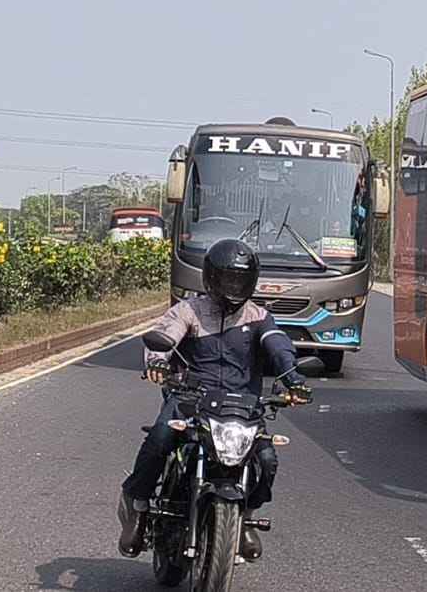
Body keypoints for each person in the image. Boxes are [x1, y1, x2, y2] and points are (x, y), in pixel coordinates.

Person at [117, 238, 313, 560]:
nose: (233, 286)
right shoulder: (189, 310)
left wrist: (292, 378)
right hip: (190, 400)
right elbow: (165, 336)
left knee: (267, 460)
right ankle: (138, 505)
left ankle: (246, 515)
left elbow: (278, 346)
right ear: (210, 278)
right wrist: (157, 361)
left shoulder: (260, 317)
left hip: (243, 407)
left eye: (240, 279)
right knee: (160, 437)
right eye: (227, 278)